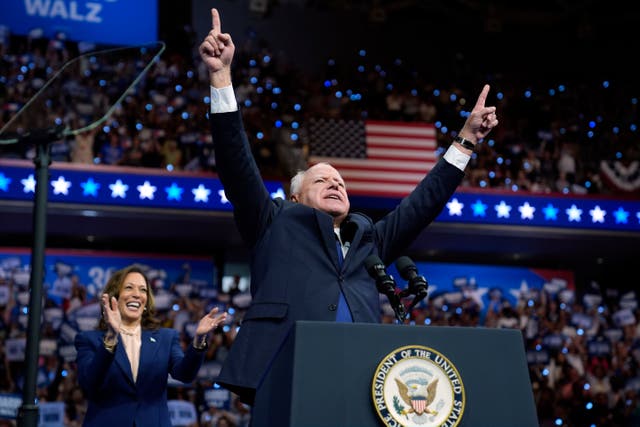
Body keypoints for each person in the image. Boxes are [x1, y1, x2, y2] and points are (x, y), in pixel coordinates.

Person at [198, 8, 498, 405]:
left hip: (363, 377)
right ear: (294, 197)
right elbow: (236, 164)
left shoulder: (367, 238)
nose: (335, 184)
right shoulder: (273, 220)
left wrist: (466, 139)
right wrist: (221, 77)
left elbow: (423, 203)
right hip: (284, 371)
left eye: (340, 182)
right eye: (321, 180)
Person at [74, 265, 227, 427]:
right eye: (129, 288)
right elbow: (88, 383)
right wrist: (111, 336)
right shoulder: (88, 340)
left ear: (146, 302)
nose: (136, 295)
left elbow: (185, 374)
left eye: (143, 290)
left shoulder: (166, 338)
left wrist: (198, 340)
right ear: (114, 297)